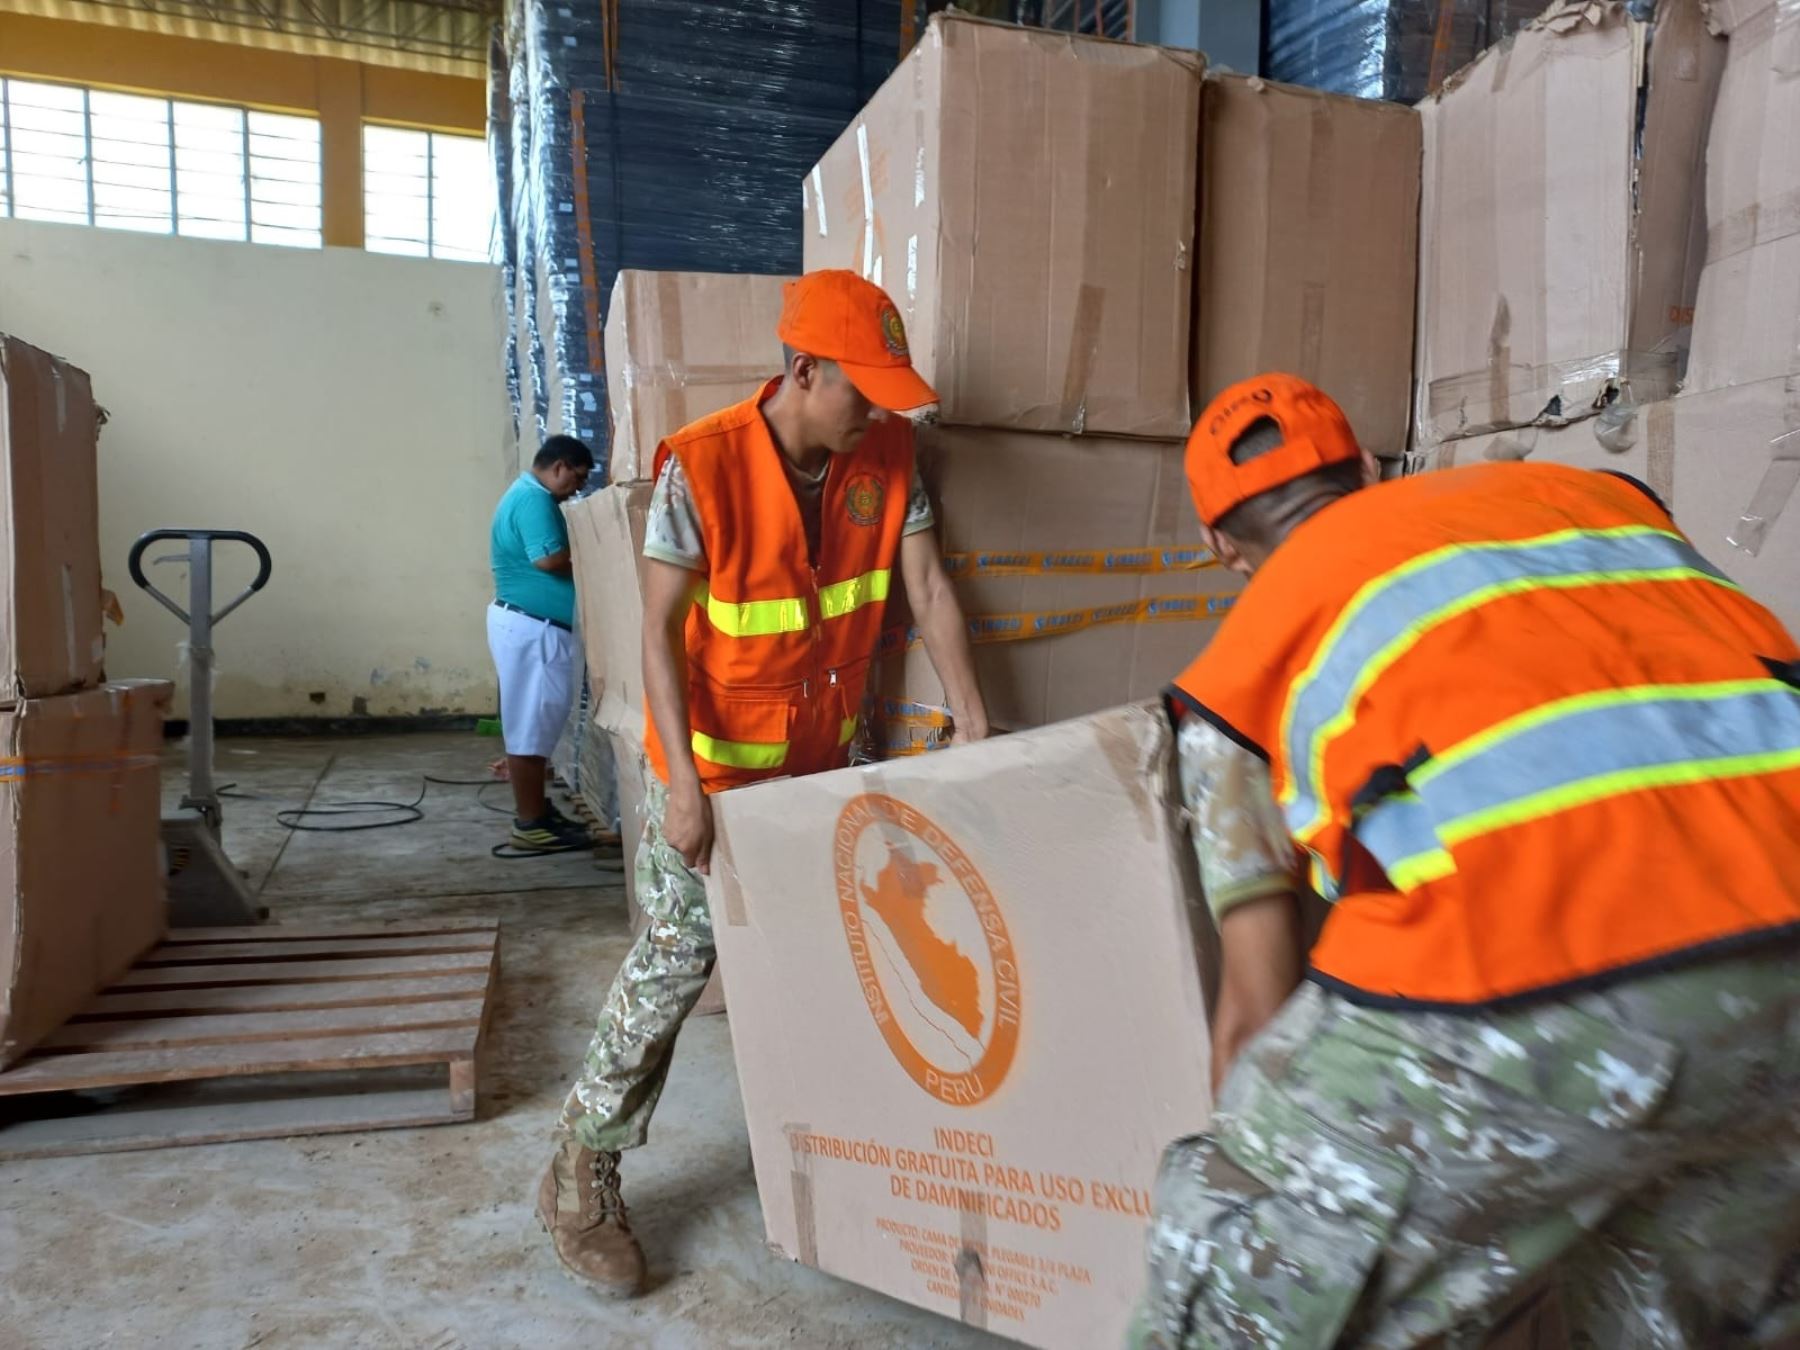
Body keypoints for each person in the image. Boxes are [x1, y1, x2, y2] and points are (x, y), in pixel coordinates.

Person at [1134, 373, 1800, 1348]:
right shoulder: (1588, 503)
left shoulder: (1245, 669)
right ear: (1369, 469)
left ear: (1218, 546)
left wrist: (1285, 1175)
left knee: (1232, 1270)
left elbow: (1253, 1012)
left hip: (1546, 966)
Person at [536, 269, 991, 1297]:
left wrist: (975, 724)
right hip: (714, 776)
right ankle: (578, 1171)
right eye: (859, 388)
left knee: (828, 964)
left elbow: (926, 585)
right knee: (672, 969)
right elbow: (657, 634)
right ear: (802, 370)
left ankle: (837, 1163)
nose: (874, 410)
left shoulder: (889, 456)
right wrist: (685, 792)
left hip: (816, 773)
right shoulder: (703, 468)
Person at [487, 434, 596, 851]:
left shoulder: (527, 494)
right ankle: (530, 825)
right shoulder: (535, 500)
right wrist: (597, 554)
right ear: (559, 467)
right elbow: (547, 559)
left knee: (534, 725)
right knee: (529, 731)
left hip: (529, 625)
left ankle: (537, 814)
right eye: (577, 478)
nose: (577, 489)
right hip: (533, 628)